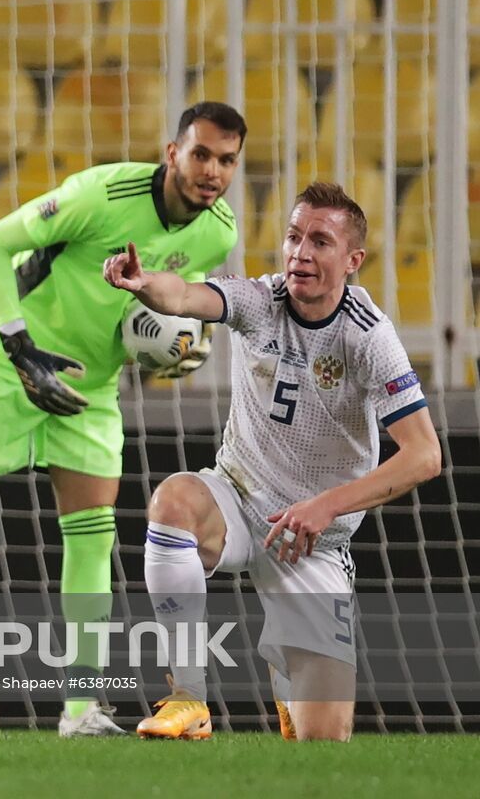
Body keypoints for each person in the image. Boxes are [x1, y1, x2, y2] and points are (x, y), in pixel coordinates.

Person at [0, 102, 247, 737]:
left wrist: (175, 351)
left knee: (92, 537)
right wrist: (22, 346)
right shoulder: (101, 194)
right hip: (11, 358)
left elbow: (164, 313)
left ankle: (81, 709)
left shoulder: (218, 232)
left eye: (226, 160)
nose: (212, 171)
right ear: (173, 152)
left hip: (92, 383)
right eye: (201, 155)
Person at [102, 181, 442, 741]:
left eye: (320, 242)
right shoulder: (262, 300)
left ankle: (289, 685)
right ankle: (187, 698)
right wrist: (145, 287)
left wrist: (324, 508)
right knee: (173, 502)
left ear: (353, 259)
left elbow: (424, 454)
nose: (300, 253)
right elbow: (187, 297)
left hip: (314, 542)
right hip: (237, 497)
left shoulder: (368, 336)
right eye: (292, 236)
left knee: (322, 745)